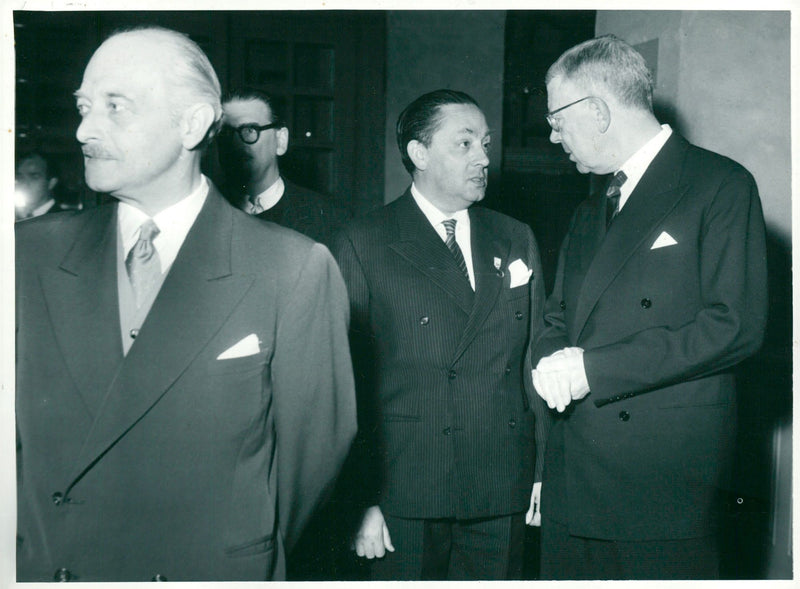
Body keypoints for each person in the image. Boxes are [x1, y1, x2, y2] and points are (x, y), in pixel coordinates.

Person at [15, 26, 357, 582]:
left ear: (193, 123)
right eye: (83, 106)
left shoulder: (292, 269)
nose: (84, 129)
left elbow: (305, 470)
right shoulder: (25, 255)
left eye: (114, 106)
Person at [531, 35, 768, 580]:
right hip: (574, 477)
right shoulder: (590, 210)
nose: (551, 135)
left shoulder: (720, 185)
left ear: (595, 111)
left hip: (661, 485)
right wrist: (548, 365)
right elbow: (556, 318)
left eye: (555, 119)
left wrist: (594, 368)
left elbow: (736, 325)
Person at [331, 89, 551, 580]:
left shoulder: (514, 236)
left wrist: (541, 473)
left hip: (501, 481)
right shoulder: (363, 241)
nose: (483, 159)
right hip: (405, 487)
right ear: (419, 154)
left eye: (486, 144)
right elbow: (345, 384)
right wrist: (360, 500)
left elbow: (535, 360)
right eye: (465, 144)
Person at [218, 90, 346, 245]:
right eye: (225, 133)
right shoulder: (200, 213)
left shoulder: (329, 219)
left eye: (250, 130)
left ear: (280, 141)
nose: (236, 144)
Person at [15, 150, 61, 220]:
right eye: (20, 177)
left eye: (34, 177)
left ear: (51, 183)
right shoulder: (11, 216)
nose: (24, 184)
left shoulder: (63, 219)